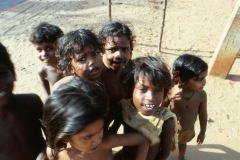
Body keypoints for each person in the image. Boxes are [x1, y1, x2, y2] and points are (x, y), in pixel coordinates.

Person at [43, 78, 149, 160]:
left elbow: (142, 140)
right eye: (88, 137)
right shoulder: (55, 153)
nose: (98, 140)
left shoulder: (106, 142)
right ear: (65, 138)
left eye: (100, 130)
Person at [114, 56, 178, 160]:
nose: (151, 98)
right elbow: (112, 133)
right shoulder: (125, 109)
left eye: (158, 91)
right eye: (143, 89)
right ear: (130, 89)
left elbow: (165, 152)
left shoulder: (165, 120)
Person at [0, 42, 46, 159]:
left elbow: (54, 135)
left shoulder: (31, 102)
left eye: (2, 73)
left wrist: (46, 152)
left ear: (13, 74)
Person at [161, 54, 208, 160]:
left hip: (188, 130)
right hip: (171, 130)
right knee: (165, 146)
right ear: (182, 79)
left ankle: (181, 157)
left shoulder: (201, 95)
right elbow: (162, 109)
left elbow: (203, 114)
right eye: (200, 79)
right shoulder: (171, 91)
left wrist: (202, 132)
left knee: (182, 144)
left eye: (204, 78)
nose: (204, 82)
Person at [98, 21, 134, 130]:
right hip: (102, 117)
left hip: (124, 113)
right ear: (101, 51)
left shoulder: (131, 71)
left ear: (130, 52)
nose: (119, 55)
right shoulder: (97, 74)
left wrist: (115, 127)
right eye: (112, 49)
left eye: (125, 49)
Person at [29, 22, 64, 97]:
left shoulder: (71, 66)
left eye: (49, 48)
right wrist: (48, 96)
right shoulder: (43, 71)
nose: (44, 54)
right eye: (39, 50)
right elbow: (43, 80)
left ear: (61, 46)